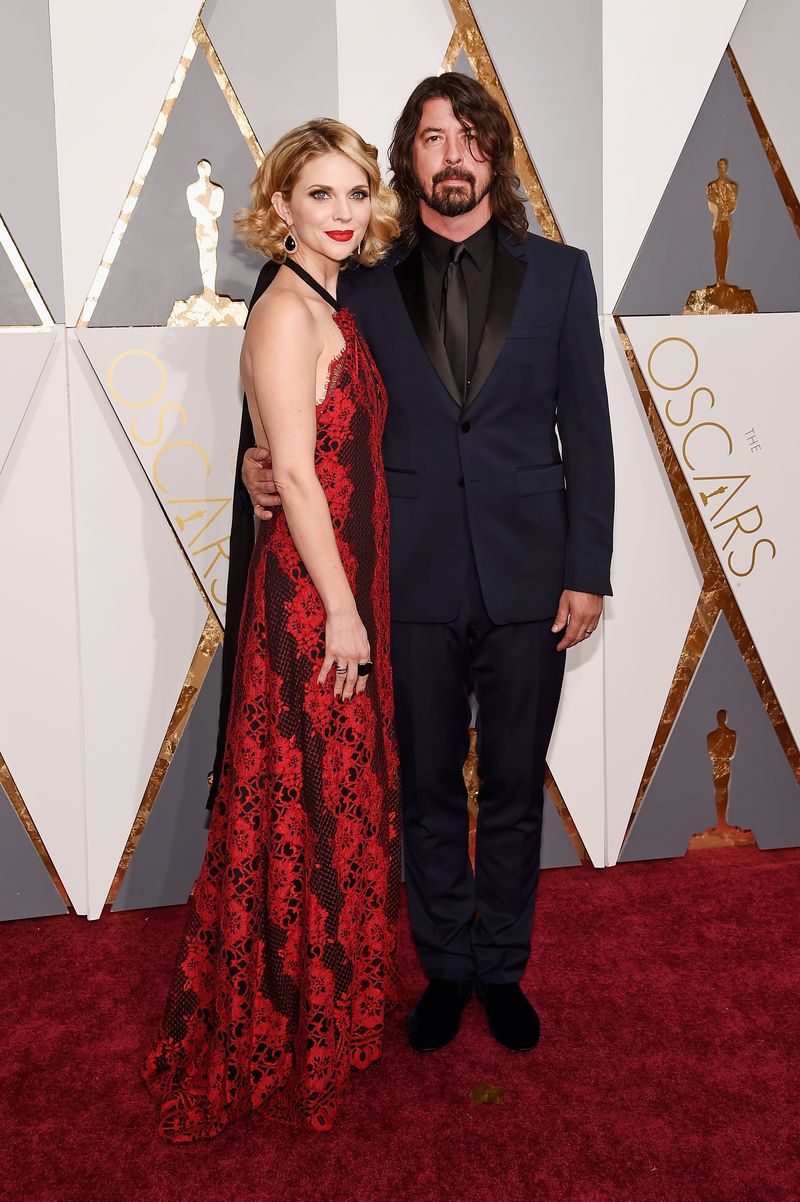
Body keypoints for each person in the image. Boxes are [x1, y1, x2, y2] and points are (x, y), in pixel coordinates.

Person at [234, 74, 615, 1057]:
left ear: (495, 155)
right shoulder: (352, 281)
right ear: (408, 158)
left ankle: (504, 967)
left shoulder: (564, 275)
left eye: (471, 138)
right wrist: (261, 465)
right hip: (403, 577)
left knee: (517, 784)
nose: (453, 156)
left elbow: (591, 433)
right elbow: (314, 413)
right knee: (430, 790)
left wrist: (589, 566)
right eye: (433, 138)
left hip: (535, 576)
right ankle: (447, 965)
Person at [142, 119, 402, 1141]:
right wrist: (340, 608)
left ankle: (320, 1010)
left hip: (341, 584)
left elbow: (290, 457)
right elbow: (292, 470)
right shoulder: (287, 312)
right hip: (312, 602)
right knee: (305, 800)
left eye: (356, 194)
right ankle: (285, 1019)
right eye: (322, 195)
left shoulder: (327, 298)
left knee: (325, 803)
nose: (343, 213)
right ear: (280, 206)